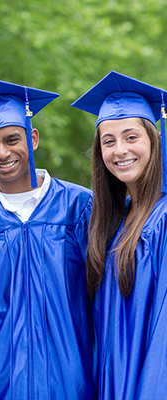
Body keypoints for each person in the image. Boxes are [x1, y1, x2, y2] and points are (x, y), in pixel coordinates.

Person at [0, 78, 96, 399]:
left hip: (72, 380)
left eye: (12, 139)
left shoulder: (79, 207)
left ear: (33, 138)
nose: (2, 152)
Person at [72, 71, 167, 400]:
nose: (119, 150)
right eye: (108, 141)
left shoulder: (164, 220)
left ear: (154, 140)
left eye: (131, 137)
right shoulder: (111, 222)